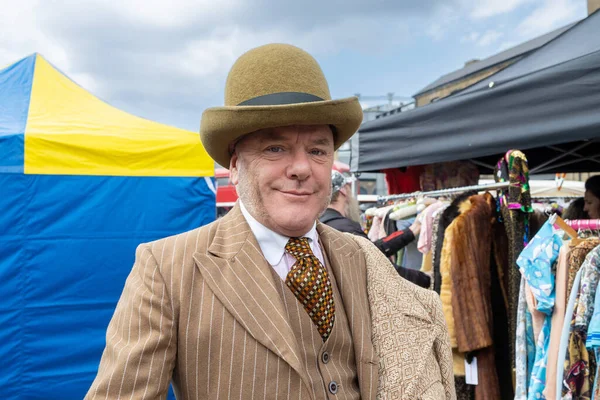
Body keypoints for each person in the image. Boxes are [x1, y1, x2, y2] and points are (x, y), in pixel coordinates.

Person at [86, 43, 455, 399]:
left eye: (316, 150)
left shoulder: (360, 257)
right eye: (274, 148)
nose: (300, 168)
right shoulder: (167, 269)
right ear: (234, 164)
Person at [321, 170, 430, 288]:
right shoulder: (346, 228)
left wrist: (410, 232)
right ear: (343, 191)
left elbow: (374, 250)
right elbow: (375, 266)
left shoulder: (322, 225)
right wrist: (424, 278)